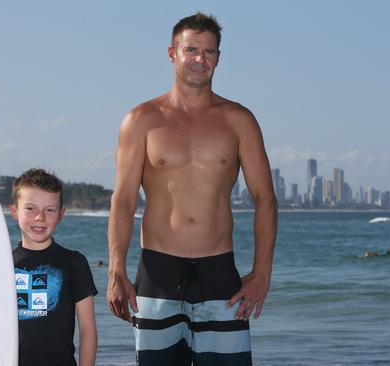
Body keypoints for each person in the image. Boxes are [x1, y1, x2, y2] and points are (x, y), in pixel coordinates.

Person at [107, 12, 277, 366]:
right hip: (157, 273)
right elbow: (123, 199)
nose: (200, 58)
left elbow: (265, 199)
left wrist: (262, 274)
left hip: (219, 272)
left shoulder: (239, 120)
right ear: (172, 53)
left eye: (210, 51)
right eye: (192, 49)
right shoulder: (141, 120)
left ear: (219, 58)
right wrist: (116, 270)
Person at [10, 168, 98, 366]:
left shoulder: (74, 263)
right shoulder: (3, 266)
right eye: (30, 208)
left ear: (61, 214)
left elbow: (88, 329)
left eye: (49, 210)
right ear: (14, 212)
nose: (40, 217)